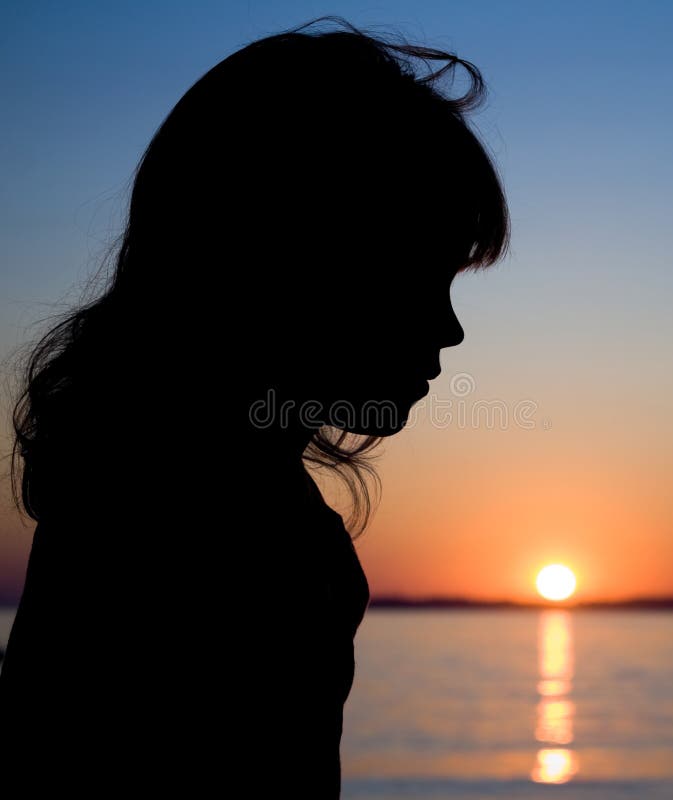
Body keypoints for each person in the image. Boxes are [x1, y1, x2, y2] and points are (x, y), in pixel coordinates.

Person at [0, 15, 509, 797]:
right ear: (291, 267)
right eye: (415, 279)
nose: (449, 329)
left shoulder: (141, 494)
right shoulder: (212, 534)